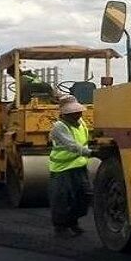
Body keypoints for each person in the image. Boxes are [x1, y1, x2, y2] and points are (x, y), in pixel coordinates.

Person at [47, 98, 92, 237]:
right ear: (65, 114)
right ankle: (60, 227)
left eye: (79, 111)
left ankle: (73, 222)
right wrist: (92, 152)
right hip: (62, 168)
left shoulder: (82, 123)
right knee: (62, 198)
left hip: (79, 166)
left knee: (83, 195)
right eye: (74, 112)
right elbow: (71, 145)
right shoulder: (59, 127)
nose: (78, 114)